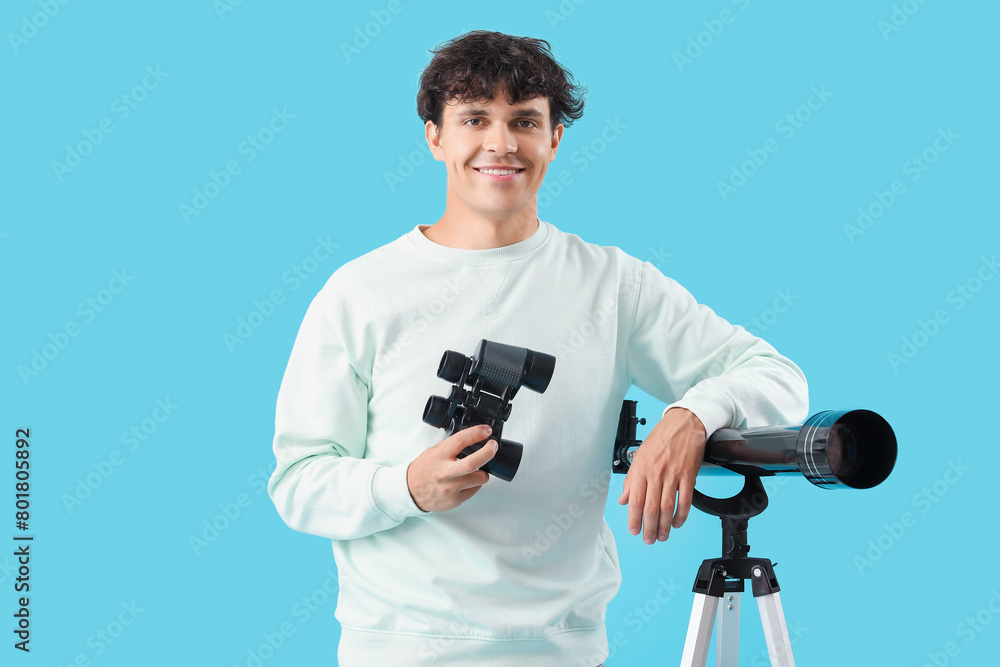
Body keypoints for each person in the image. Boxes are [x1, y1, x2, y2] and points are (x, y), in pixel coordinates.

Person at [267, 30, 808, 667]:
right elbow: (299, 481)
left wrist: (693, 415)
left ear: (553, 138)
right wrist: (405, 487)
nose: (501, 144)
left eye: (525, 120)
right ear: (434, 135)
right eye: (475, 118)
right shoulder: (359, 292)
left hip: (561, 652)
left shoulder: (613, 285)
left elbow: (777, 377)